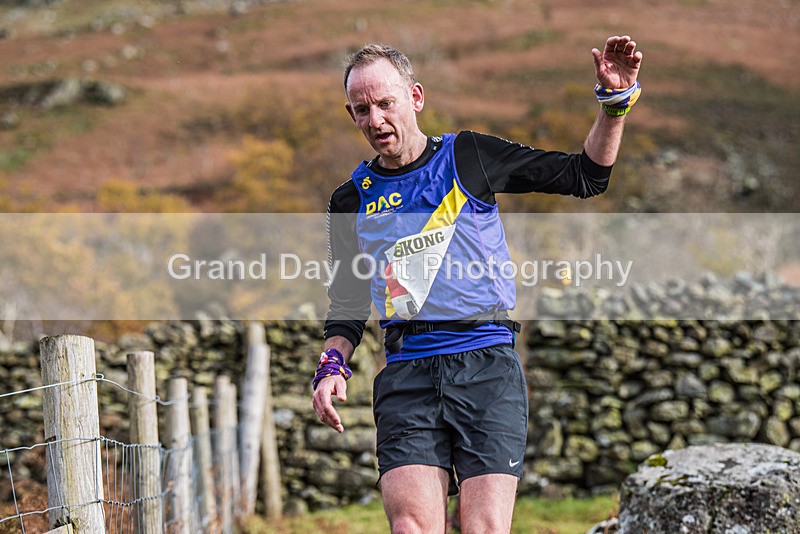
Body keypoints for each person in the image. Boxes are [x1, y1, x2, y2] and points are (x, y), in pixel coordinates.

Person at [312, 36, 643, 533]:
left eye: (386, 103)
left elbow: (586, 176)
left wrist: (614, 104)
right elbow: (348, 300)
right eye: (363, 109)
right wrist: (331, 363)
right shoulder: (349, 200)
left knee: (482, 528)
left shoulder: (468, 157)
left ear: (415, 98)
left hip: (486, 367)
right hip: (406, 373)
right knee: (411, 528)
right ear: (350, 114)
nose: (376, 119)